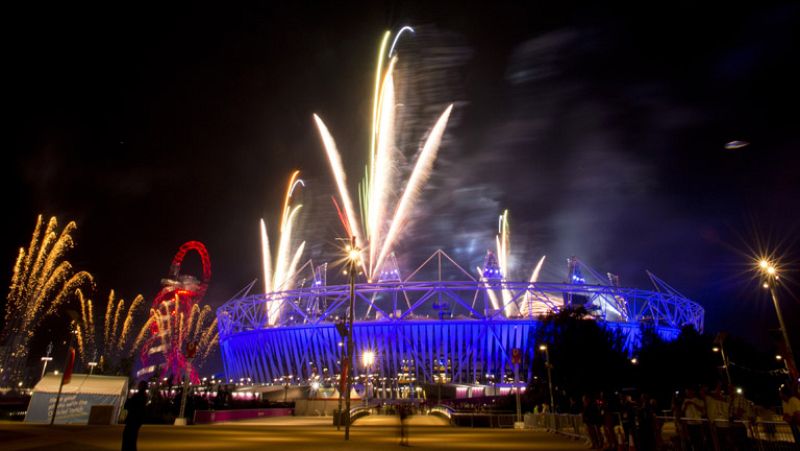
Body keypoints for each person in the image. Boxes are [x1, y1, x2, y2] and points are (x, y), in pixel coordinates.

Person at [122, 381, 149, 451]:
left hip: (133, 418)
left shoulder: (137, 396)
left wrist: (129, 398)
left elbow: (128, 405)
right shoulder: (144, 396)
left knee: (128, 436)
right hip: (138, 419)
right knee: (133, 437)